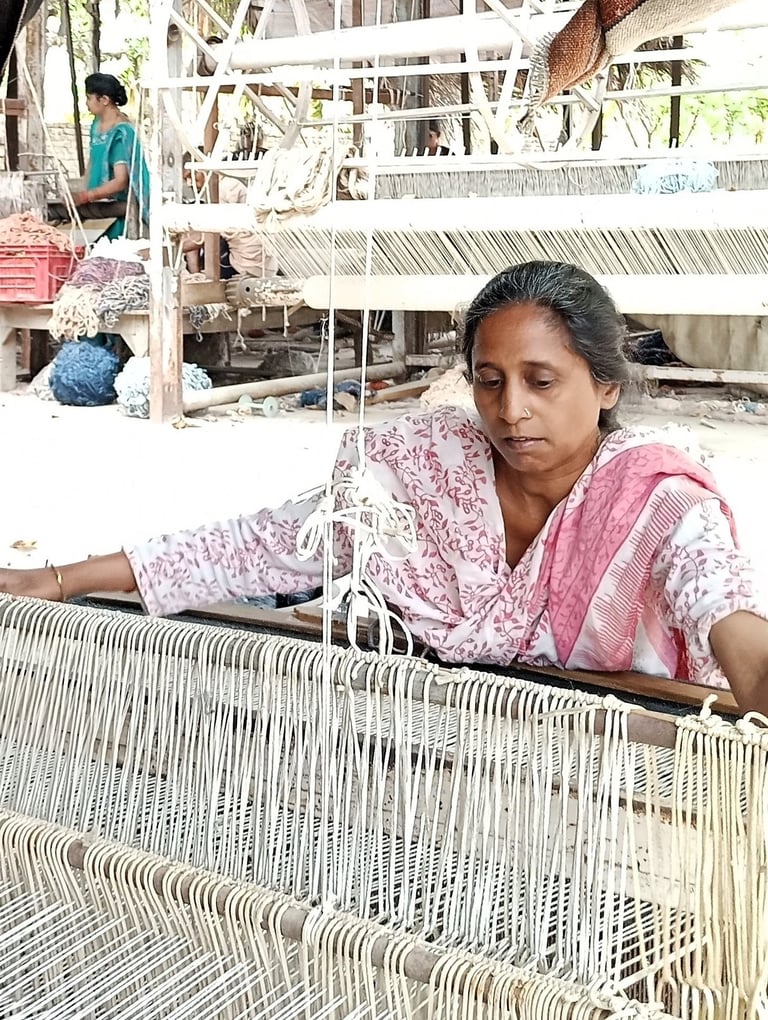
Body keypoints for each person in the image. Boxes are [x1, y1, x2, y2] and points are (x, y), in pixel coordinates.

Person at [2, 261, 767, 715]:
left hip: (623, 779)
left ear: (604, 387)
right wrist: (60, 580)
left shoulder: (659, 504)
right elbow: (262, 546)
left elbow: (724, 609)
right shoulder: (419, 476)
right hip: (452, 759)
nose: (511, 410)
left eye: (542, 381)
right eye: (490, 382)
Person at [57, 73, 150, 240]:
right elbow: (92, 162)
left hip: (116, 209)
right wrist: (82, 191)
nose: (86, 103)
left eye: (89, 98)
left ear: (104, 100)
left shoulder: (121, 132)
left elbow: (121, 181)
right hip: (95, 204)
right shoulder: (96, 124)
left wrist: (87, 196)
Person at [181, 155, 278, 278]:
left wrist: (176, 248)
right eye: (186, 180)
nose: (189, 183)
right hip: (264, 264)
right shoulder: (230, 185)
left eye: (191, 176)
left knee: (202, 235)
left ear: (202, 170)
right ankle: (196, 277)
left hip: (249, 264)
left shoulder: (222, 190)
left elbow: (208, 234)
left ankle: (197, 279)